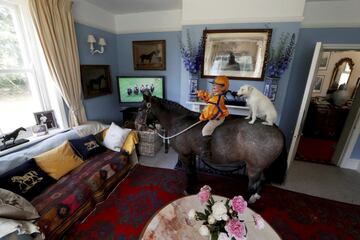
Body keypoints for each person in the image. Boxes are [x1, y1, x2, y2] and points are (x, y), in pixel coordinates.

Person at [197, 75, 230, 162]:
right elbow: (209, 99)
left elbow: (209, 112)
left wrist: (202, 116)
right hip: (216, 115)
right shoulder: (216, 95)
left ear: (223, 87)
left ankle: (206, 152)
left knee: (206, 130)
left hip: (217, 119)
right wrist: (202, 94)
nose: (213, 86)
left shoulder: (217, 98)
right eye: (213, 84)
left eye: (216, 85)